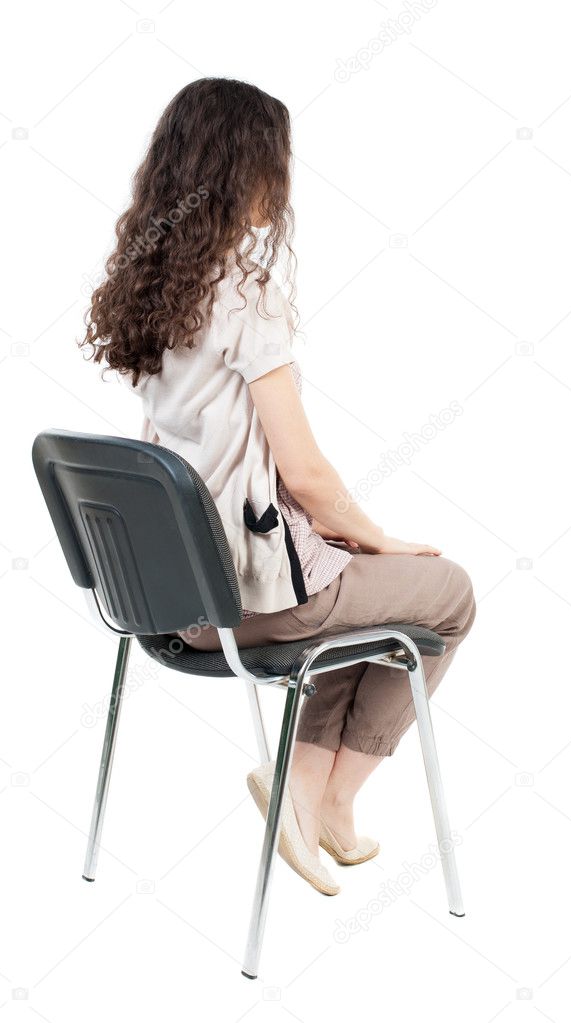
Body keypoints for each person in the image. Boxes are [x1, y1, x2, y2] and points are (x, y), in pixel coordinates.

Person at [80, 77, 476, 896]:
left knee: (349, 589)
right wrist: (377, 536)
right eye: (275, 160)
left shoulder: (150, 288)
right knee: (446, 592)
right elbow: (306, 475)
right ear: (244, 169)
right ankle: (320, 793)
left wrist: (339, 543)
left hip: (165, 601)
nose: (283, 179)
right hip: (245, 600)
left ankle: (314, 799)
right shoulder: (244, 292)